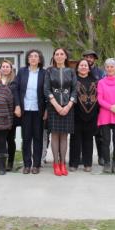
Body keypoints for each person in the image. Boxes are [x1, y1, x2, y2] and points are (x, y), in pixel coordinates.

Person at [44, 48, 77, 176]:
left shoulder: (71, 71)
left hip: (68, 106)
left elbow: (74, 90)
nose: (59, 56)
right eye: (56, 54)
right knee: (55, 135)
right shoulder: (49, 71)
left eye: (61, 54)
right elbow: (46, 90)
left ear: (65, 57)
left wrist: (68, 105)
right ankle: (56, 163)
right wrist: (57, 106)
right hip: (54, 106)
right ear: (54, 57)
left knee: (64, 136)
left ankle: (63, 163)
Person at [15, 49, 47, 174]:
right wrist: (17, 105)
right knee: (26, 138)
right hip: (25, 110)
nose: (33, 58)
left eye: (36, 56)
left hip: (39, 110)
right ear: (28, 59)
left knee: (38, 138)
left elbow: (46, 92)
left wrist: (47, 110)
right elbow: (16, 89)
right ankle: (27, 164)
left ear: (39, 59)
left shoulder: (44, 73)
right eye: (31, 56)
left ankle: (36, 165)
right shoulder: (22, 72)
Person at [97, 58, 115, 174]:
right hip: (105, 114)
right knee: (105, 141)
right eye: (107, 66)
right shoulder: (101, 82)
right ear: (105, 68)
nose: (110, 68)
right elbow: (100, 99)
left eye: (112, 66)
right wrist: (112, 108)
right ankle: (107, 163)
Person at [69, 59, 99, 172]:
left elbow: (97, 98)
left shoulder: (95, 81)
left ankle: (88, 163)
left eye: (85, 65)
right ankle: (73, 163)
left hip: (91, 115)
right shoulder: (73, 80)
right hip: (76, 114)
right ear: (77, 68)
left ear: (89, 68)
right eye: (81, 65)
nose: (83, 67)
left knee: (88, 140)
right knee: (75, 140)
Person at [83, 49, 105, 166]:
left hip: (97, 106)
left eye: (91, 57)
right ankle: (84, 157)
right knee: (83, 132)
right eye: (87, 57)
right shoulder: (79, 70)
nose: (89, 59)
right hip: (82, 106)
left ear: (94, 59)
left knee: (99, 133)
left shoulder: (100, 73)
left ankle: (101, 156)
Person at [0, 59, 20, 171]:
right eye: (3, 66)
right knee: (1, 139)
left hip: (10, 115)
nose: (5, 68)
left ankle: (10, 162)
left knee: (10, 139)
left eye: (7, 66)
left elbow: (16, 95)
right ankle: (1, 160)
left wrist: (17, 106)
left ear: (11, 69)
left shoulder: (15, 81)